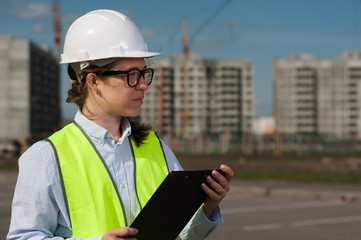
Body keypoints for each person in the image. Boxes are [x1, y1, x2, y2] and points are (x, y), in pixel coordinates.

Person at [7, 9, 233, 240]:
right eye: (132, 75)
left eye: (144, 73)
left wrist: (207, 207)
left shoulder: (158, 148)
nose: (143, 85)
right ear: (94, 81)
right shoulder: (45, 157)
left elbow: (178, 235)